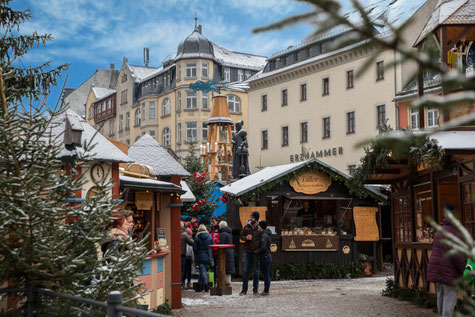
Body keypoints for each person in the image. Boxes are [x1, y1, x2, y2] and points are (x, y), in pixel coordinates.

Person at [427, 203, 466, 317]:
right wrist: (464, 271)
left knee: (441, 296)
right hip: (448, 271)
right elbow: (457, 255)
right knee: (450, 298)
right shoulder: (453, 233)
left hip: (437, 269)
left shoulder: (440, 230)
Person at [239, 211, 261, 296]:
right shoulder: (246, 227)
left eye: (252, 218)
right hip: (247, 252)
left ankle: (255, 290)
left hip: (256, 252)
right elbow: (241, 236)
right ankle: (244, 290)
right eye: (250, 217)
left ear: (256, 219)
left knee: (256, 272)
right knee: (245, 271)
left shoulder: (259, 228)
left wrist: (259, 249)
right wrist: (246, 238)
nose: (250, 219)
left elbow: (262, 239)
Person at [193, 224, 213, 292]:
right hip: (208, 256)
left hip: (200, 256)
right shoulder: (209, 237)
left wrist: (197, 253)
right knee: (202, 271)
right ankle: (198, 287)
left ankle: (206, 286)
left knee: (202, 272)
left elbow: (195, 249)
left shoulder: (197, 237)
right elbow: (212, 246)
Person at [257, 220, 272, 296]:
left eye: (259, 225)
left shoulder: (264, 235)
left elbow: (263, 248)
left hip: (265, 256)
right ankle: (266, 290)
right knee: (266, 274)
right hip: (267, 256)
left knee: (266, 274)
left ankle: (266, 291)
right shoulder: (266, 234)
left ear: (262, 226)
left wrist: (256, 252)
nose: (258, 226)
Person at [218, 221, 235, 287]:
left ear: (222, 226)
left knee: (224, 267)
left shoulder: (223, 233)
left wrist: (217, 243)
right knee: (229, 268)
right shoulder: (230, 233)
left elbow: (221, 243)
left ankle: (225, 283)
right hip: (230, 251)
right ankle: (228, 282)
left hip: (225, 253)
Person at [181, 222, 194, 288]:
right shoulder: (185, 235)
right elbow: (192, 243)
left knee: (184, 269)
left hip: (179, 254)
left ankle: (182, 283)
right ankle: (182, 283)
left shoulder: (177, 233)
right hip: (184, 254)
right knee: (183, 270)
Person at [209, 216, 221, 284]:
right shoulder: (210, 229)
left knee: (216, 266)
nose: (212, 223)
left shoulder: (219, 229)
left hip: (217, 251)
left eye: (213, 221)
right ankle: (211, 281)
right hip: (210, 251)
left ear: (217, 221)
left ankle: (216, 280)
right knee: (211, 267)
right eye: (211, 221)